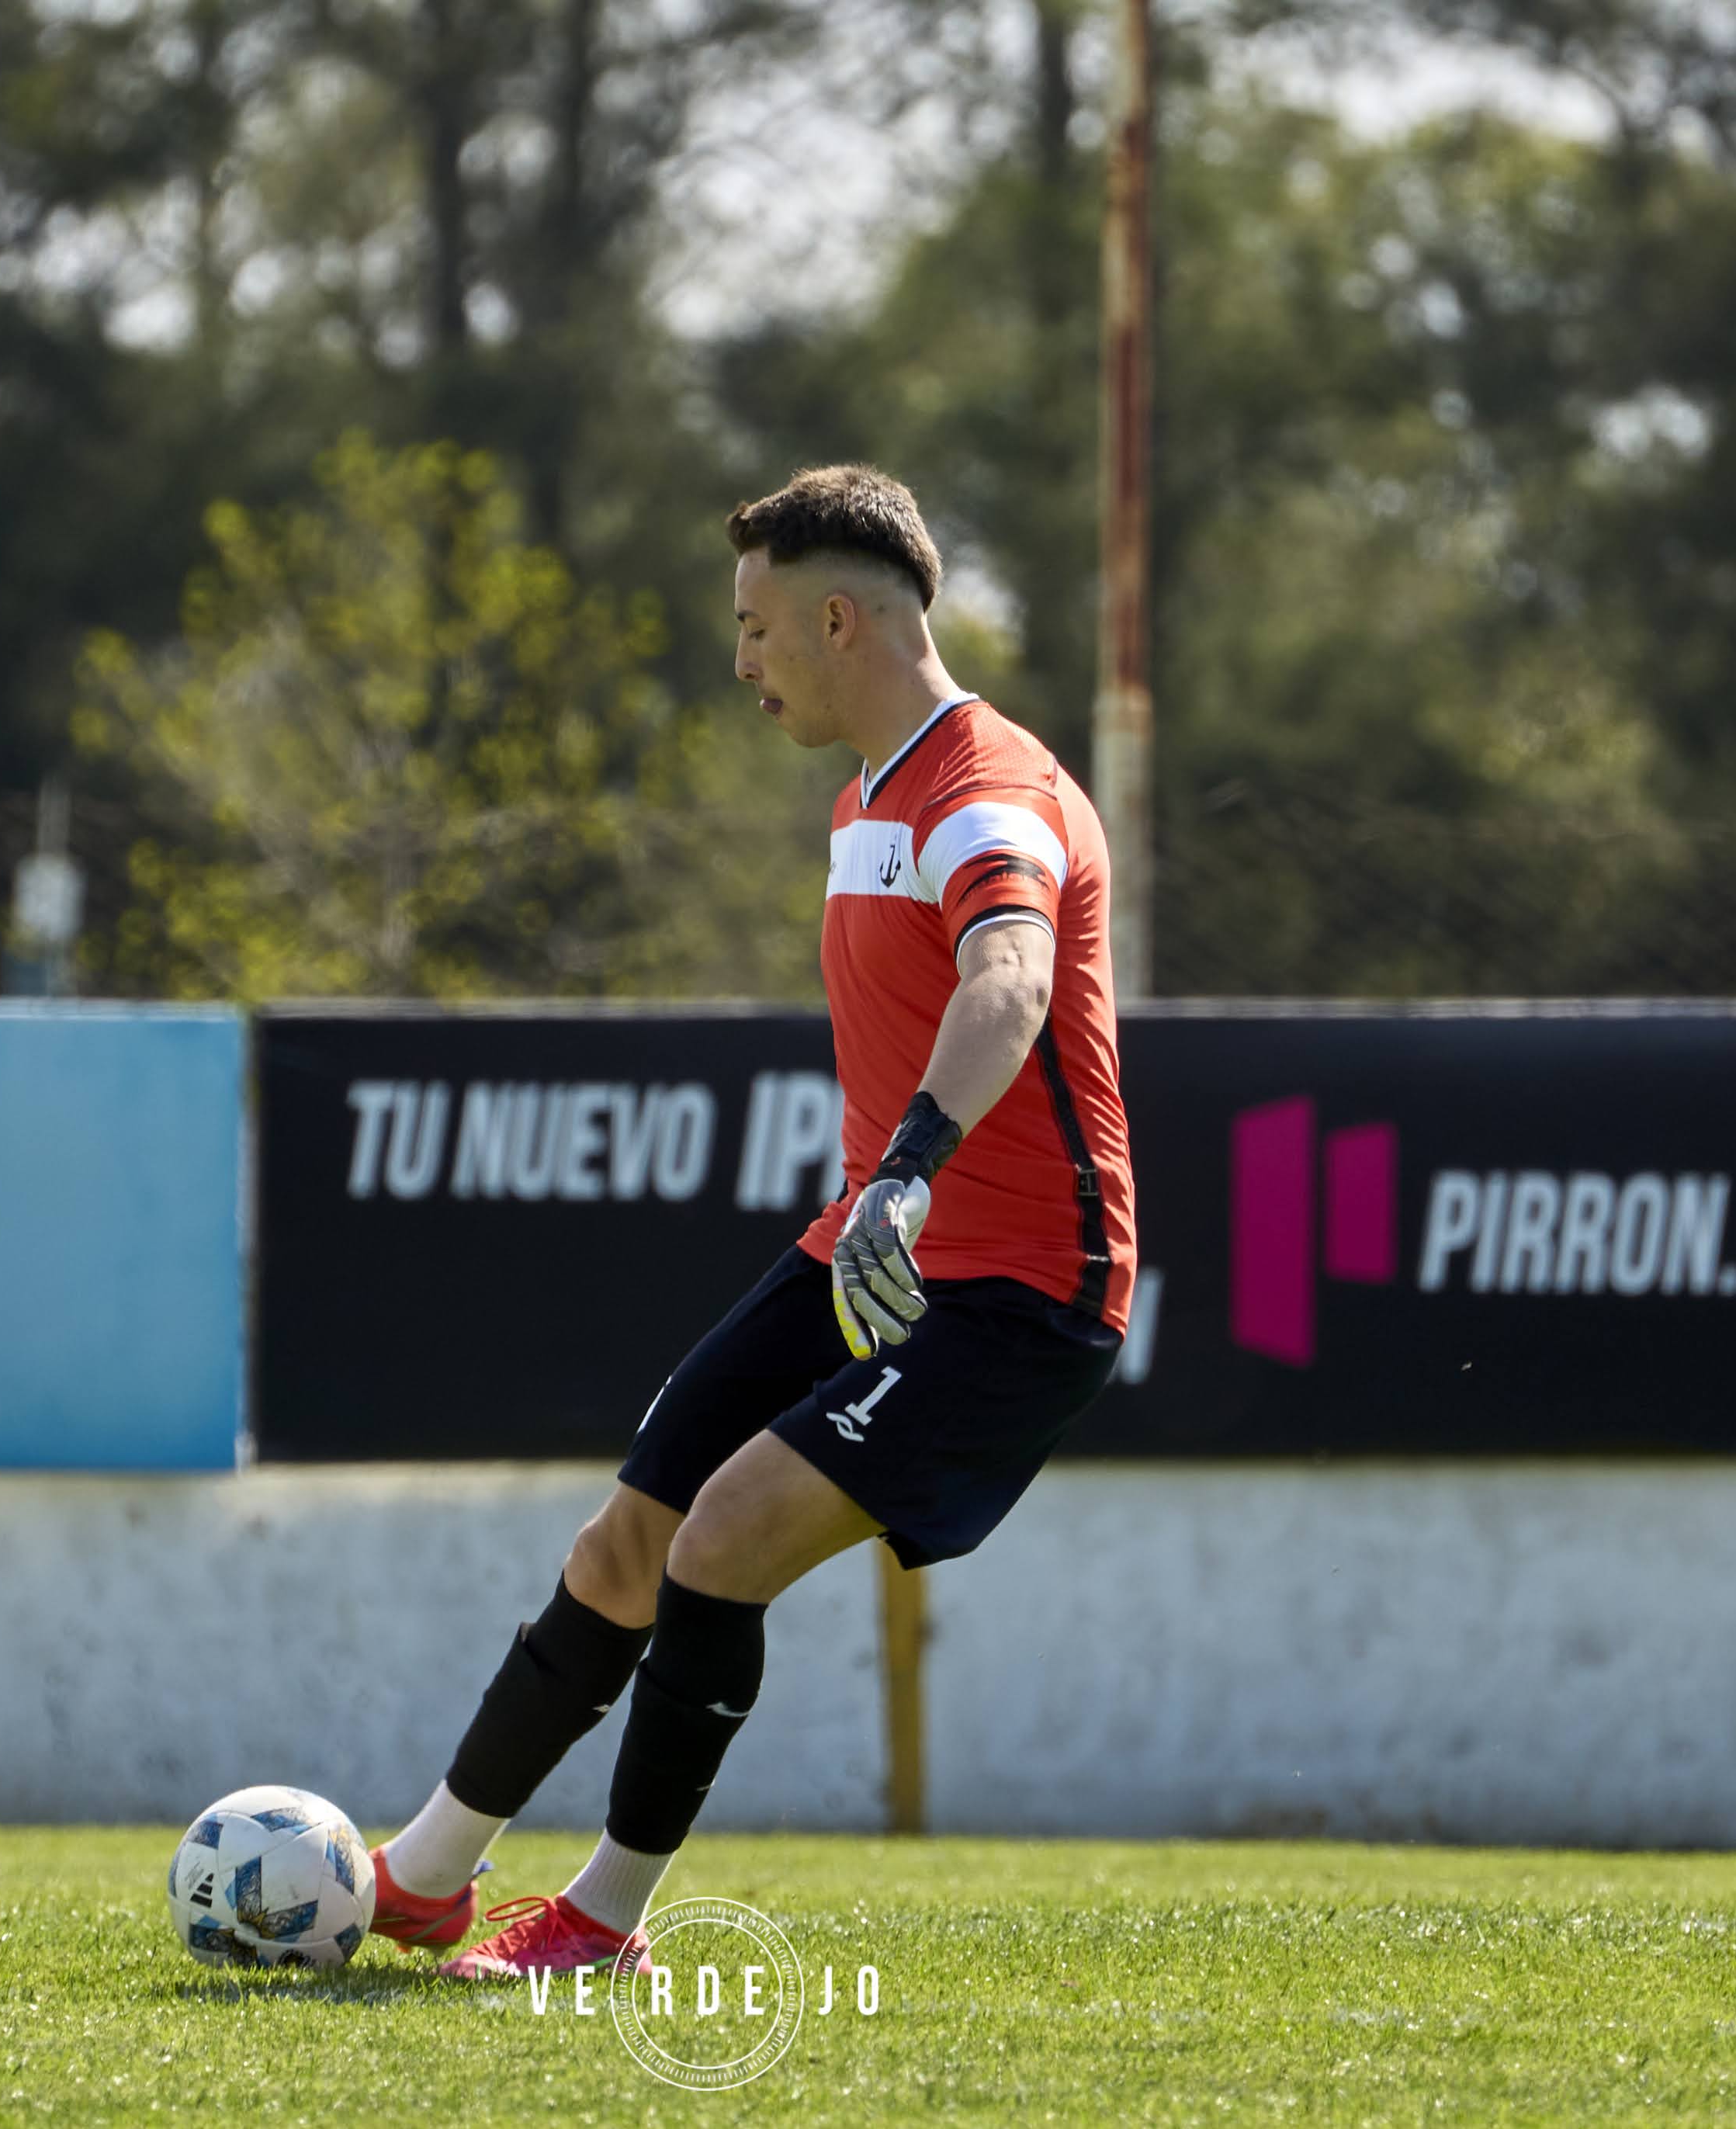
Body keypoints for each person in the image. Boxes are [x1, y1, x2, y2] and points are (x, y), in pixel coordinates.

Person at [368, 464, 1138, 1978]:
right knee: (625, 1542)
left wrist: (910, 1167)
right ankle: (424, 1875)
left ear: (837, 619)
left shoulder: (996, 793)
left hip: (1019, 1289)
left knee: (719, 1542)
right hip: (867, 1248)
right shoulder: (867, 796)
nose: (743, 665)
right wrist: (885, 1197)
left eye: (757, 629)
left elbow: (1012, 983)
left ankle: (600, 1923)